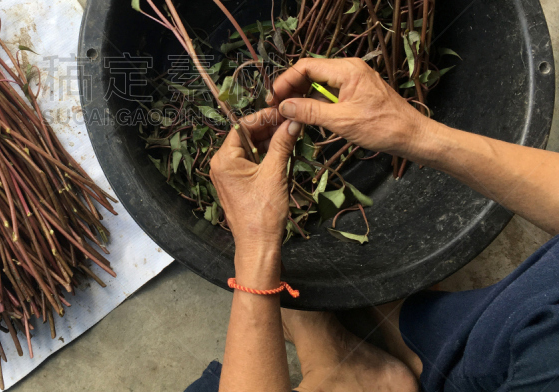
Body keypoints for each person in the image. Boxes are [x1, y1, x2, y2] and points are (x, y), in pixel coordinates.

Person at [184, 58, 559, 392]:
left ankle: (365, 363)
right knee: (513, 337)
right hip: (518, 336)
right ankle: (408, 341)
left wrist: (256, 250)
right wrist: (415, 133)